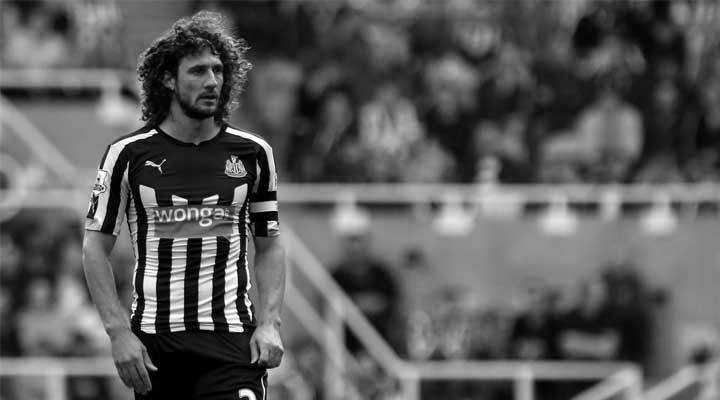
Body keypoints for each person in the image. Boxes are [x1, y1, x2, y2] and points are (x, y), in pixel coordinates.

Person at [82, 11, 286, 400]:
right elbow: (95, 248)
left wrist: (270, 322)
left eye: (217, 70)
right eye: (197, 71)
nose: (211, 81)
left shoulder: (253, 153)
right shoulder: (127, 155)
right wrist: (118, 332)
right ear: (168, 78)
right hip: (157, 347)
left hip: (231, 343)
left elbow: (270, 243)